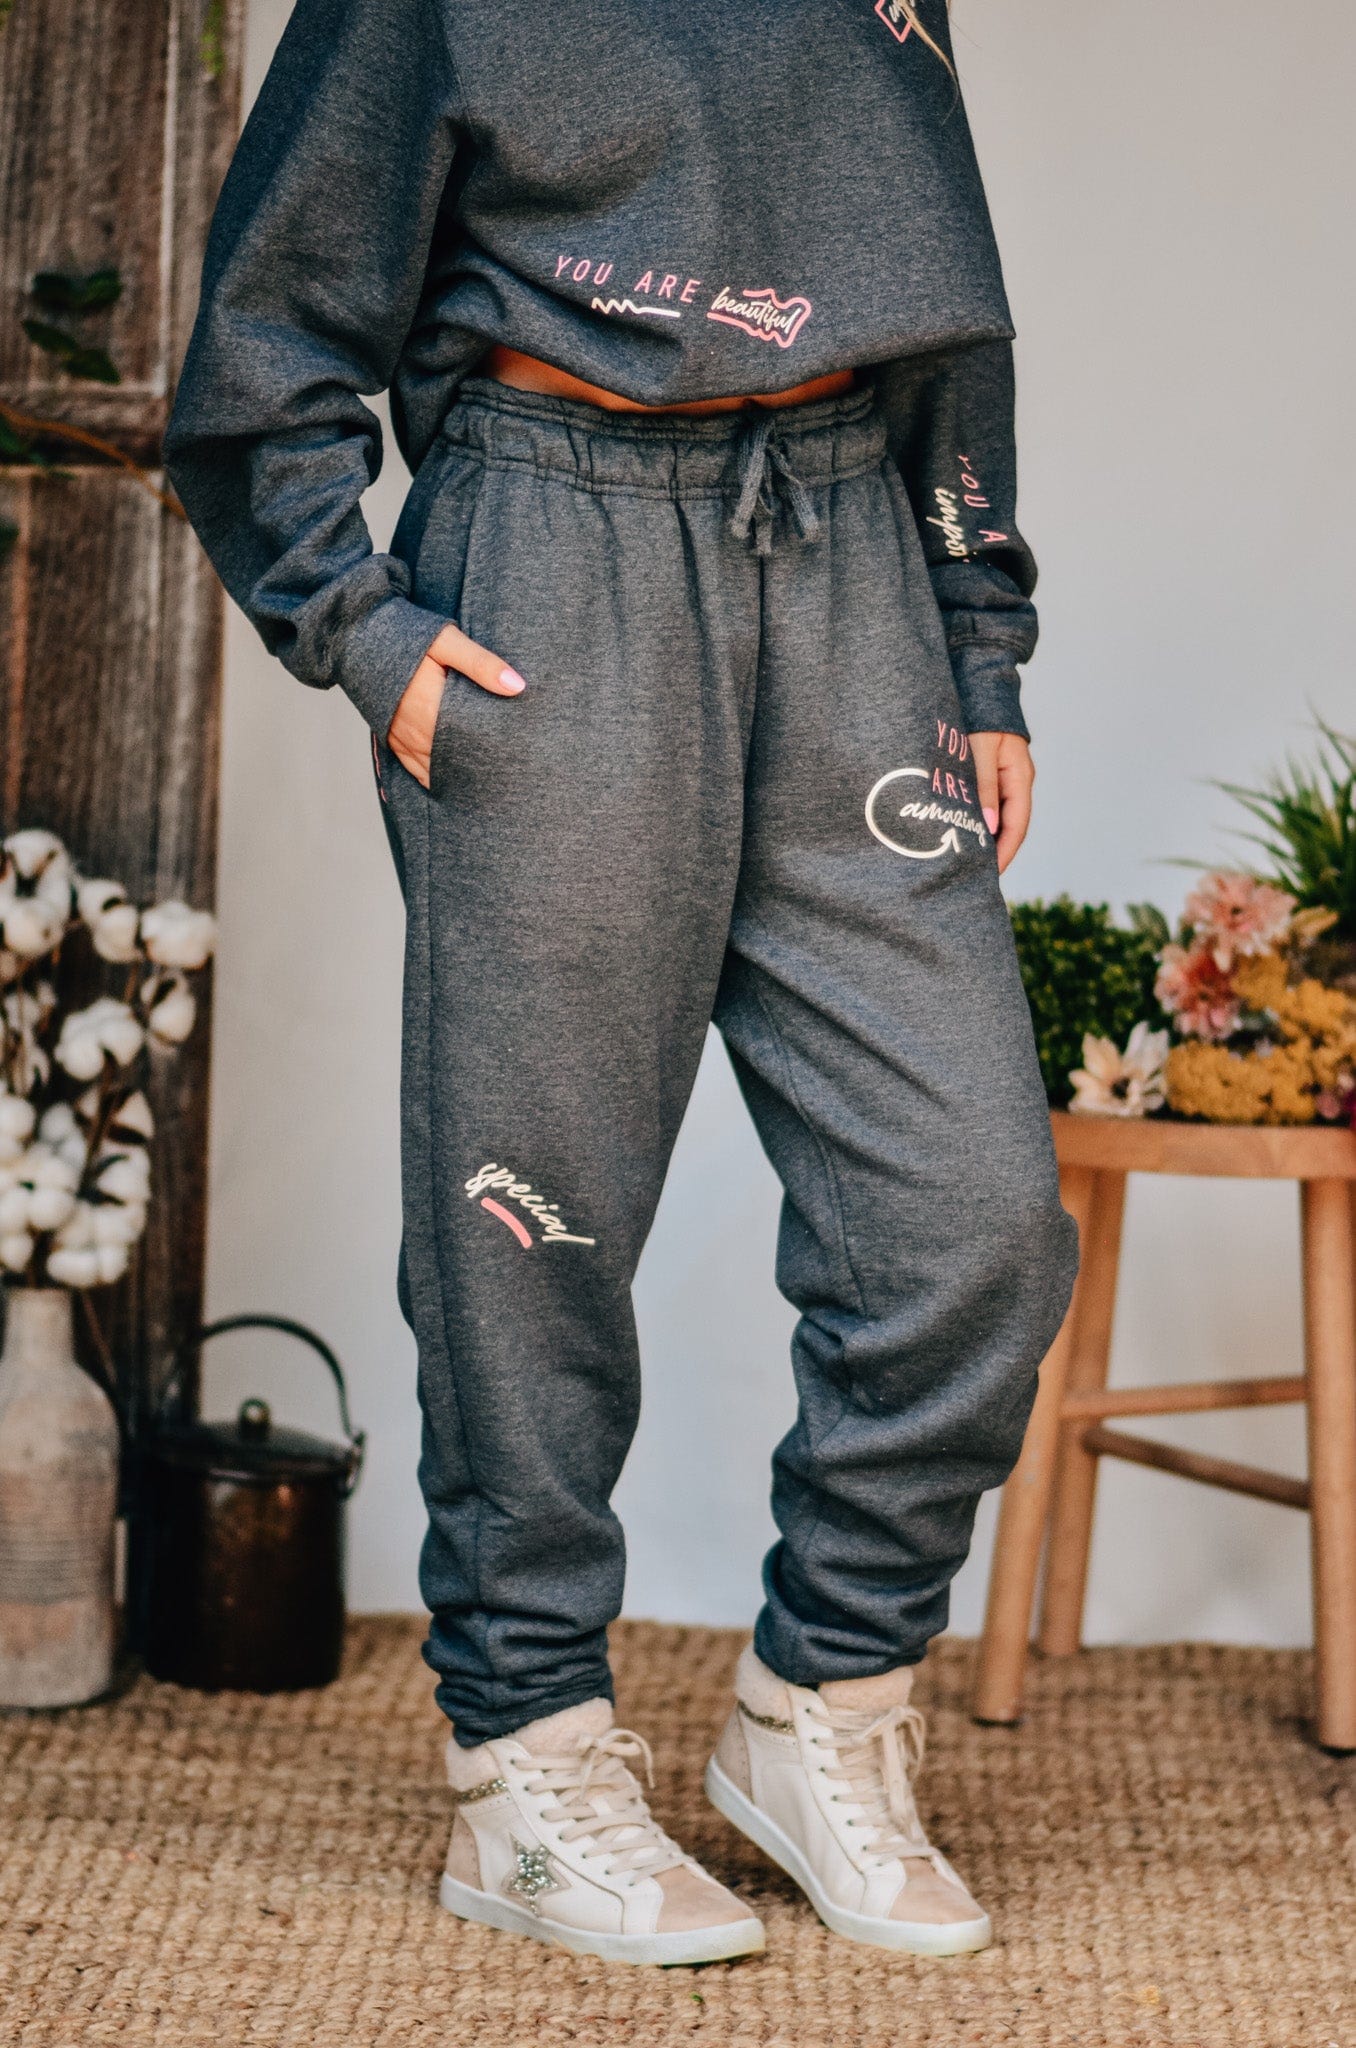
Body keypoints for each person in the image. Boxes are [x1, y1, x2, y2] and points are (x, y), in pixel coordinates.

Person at [165, 0, 1080, 1968]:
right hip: (556, 560)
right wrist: (359, 623)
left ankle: (820, 1703)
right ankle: (526, 1763)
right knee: (536, 1221)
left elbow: (939, 289)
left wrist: (974, 636)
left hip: (850, 568)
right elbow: (270, 325)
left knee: (977, 1217)